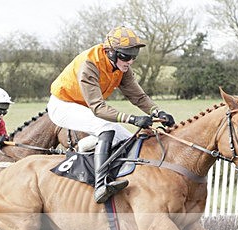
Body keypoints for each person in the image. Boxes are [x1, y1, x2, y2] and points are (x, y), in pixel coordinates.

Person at [48, 26, 175, 203]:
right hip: (63, 105)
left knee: (129, 139)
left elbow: (137, 96)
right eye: (126, 56)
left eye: (134, 56)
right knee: (106, 128)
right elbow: (98, 108)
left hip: (86, 107)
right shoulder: (90, 64)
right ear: (110, 52)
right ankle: (100, 186)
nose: (130, 61)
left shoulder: (122, 67)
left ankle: (89, 146)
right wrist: (133, 119)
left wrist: (157, 111)